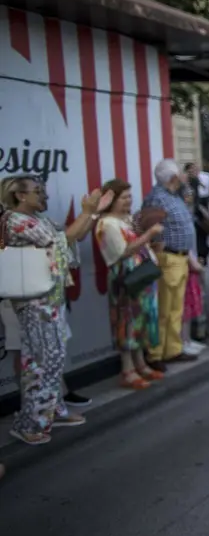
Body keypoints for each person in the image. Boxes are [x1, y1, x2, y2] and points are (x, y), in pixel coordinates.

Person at [0, 176, 112, 445]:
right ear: (20, 196)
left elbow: (74, 236)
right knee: (39, 362)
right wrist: (88, 211)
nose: (45, 196)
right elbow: (60, 239)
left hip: (49, 299)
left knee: (52, 358)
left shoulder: (39, 219)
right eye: (37, 191)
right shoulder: (14, 220)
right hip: (33, 302)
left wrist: (92, 213)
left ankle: (50, 412)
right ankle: (29, 423)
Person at [95, 179, 165, 389]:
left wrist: (150, 245)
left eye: (129, 196)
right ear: (112, 200)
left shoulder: (125, 220)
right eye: (123, 197)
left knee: (140, 321)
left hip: (141, 277)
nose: (128, 200)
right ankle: (127, 370)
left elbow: (136, 245)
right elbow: (122, 252)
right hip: (126, 279)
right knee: (126, 322)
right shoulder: (106, 224)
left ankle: (140, 364)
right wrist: (149, 235)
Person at [141, 159, 197, 367]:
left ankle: (172, 349)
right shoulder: (157, 198)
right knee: (163, 308)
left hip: (180, 257)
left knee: (175, 308)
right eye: (181, 173)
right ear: (173, 177)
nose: (184, 176)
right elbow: (148, 225)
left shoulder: (173, 195)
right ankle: (155, 353)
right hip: (167, 257)